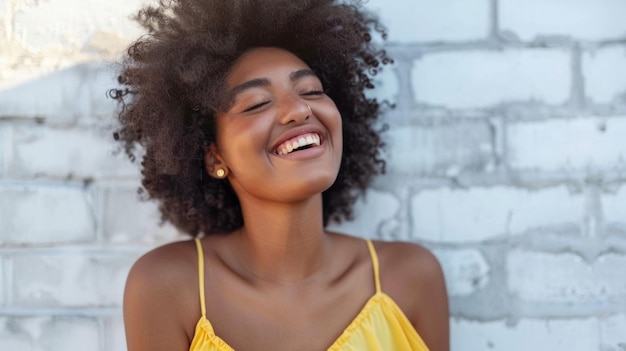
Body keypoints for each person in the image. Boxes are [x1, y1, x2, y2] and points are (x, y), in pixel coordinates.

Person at [110, 0, 449, 350]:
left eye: (312, 91)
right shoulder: (167, 286)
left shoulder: (410, 277)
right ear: (214, 156)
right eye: (256, 103)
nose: (299, 109)